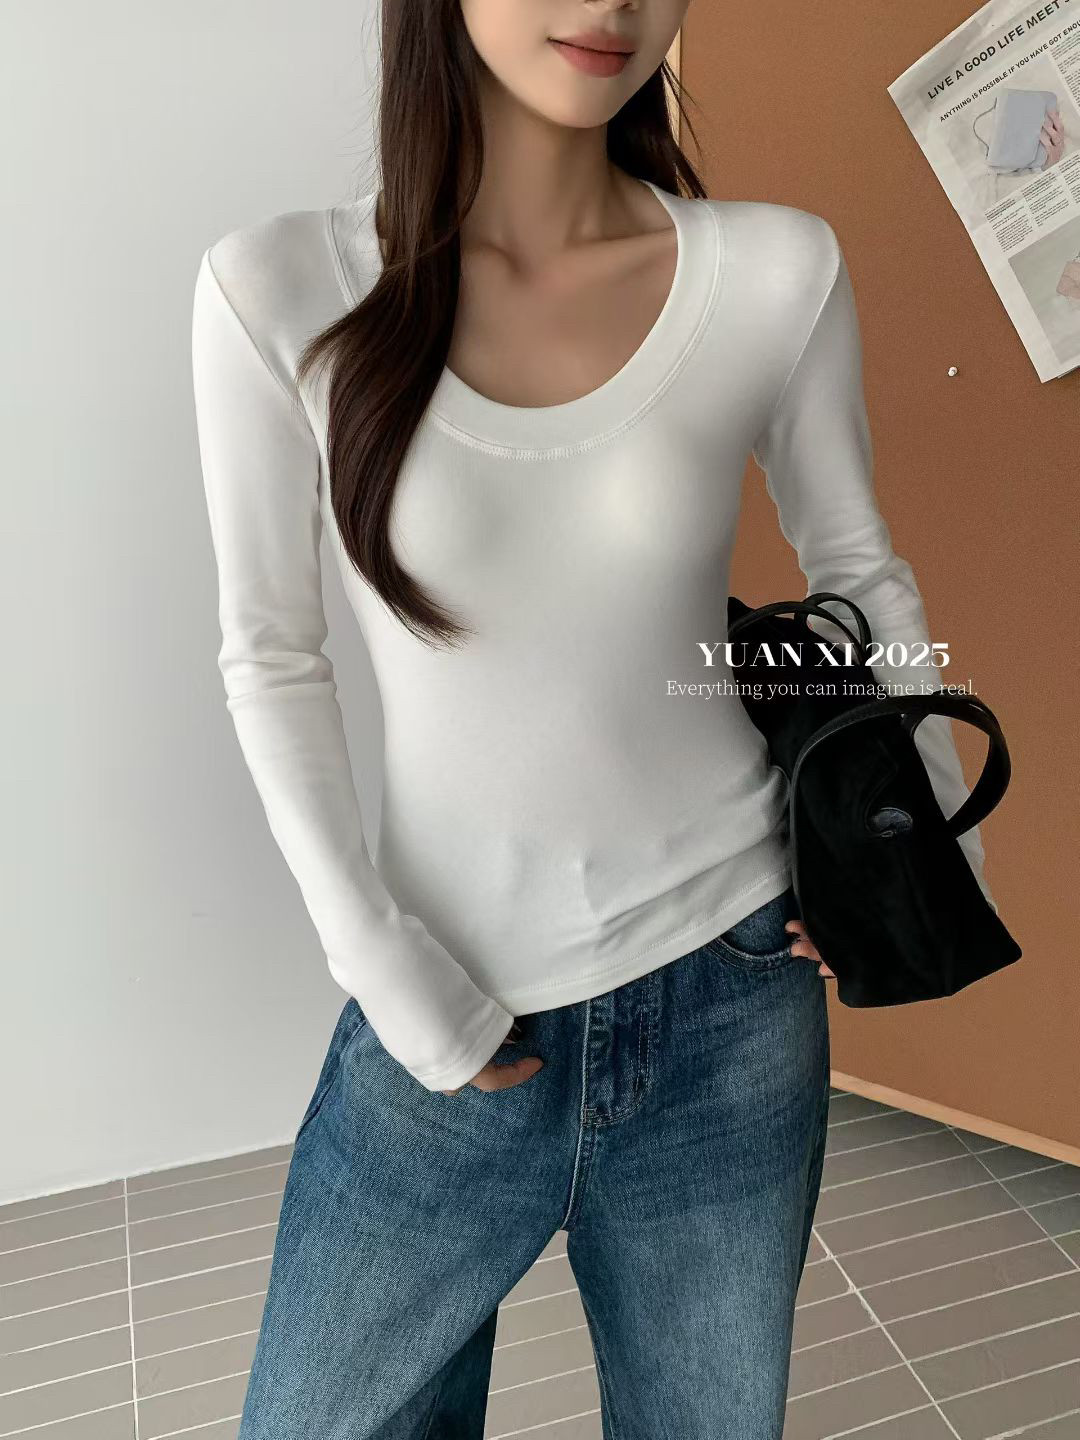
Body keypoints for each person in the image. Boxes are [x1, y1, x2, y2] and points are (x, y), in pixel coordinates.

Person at [190, 1, 994, 1434]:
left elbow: (858, 573)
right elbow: (270, 654)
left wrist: (921, 853)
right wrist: (384, 965)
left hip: (733, 1000)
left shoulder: (773, 270)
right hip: (447, 1010)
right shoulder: (279, 290)